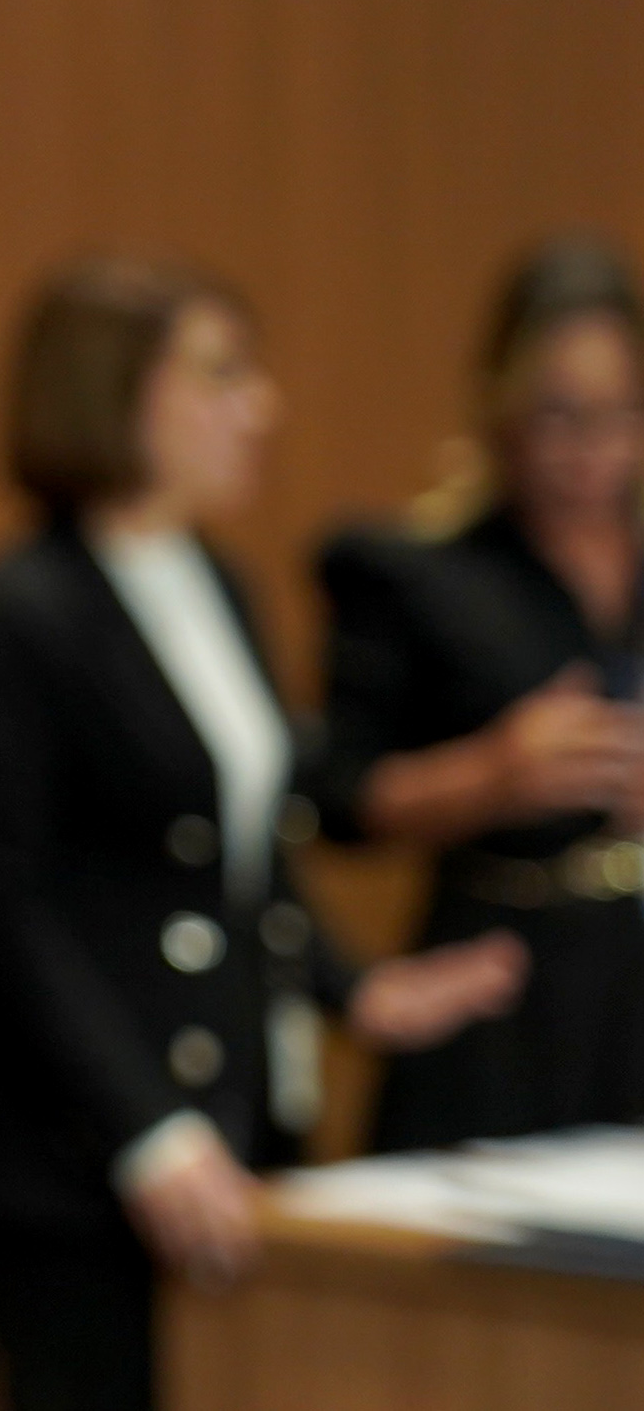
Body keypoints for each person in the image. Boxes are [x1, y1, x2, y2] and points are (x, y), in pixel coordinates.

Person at [0, 259, 522, 1411]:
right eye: (220, 374)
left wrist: (354, 990)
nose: (260, 406)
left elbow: (239, 856)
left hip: (233, 1121)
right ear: (109, 389)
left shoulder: (219, 585)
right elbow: (9, 912)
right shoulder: (13, 619)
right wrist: (145, 1132)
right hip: (81, 1159)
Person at [310, 234, 644, 1152]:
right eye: (559, 412)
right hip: (501, 981)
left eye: (619, 412)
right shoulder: (420, 573)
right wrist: (492, 773)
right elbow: (335, 797)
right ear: (500, 405)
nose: (590, 447)